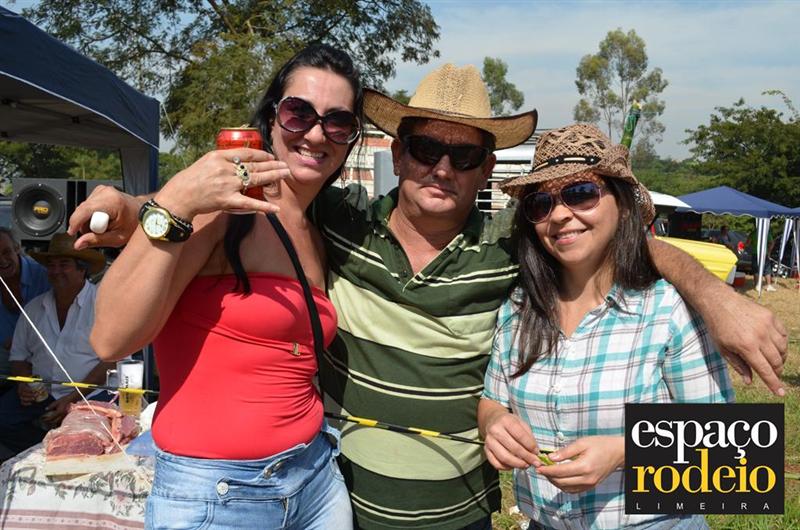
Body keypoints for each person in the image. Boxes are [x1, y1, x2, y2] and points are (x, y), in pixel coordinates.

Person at [68, 64, 788, 529]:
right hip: (340, 503)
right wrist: (133, 207)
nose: (561, 216)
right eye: (423, 148)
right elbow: (494, 400)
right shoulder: (363, 234)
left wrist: (713, 295)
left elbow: (742, 470)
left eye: (465, 154)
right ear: (397, 153)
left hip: (470, 516)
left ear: (485, 172)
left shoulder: (558, 275)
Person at [89, 44, 359, 530]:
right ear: (272, 118)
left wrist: (134, 203)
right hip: (218, 496)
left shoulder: (316, 227)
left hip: (316, 479)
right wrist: (173, 200)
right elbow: (110, 339)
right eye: (299, 113)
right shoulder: (222, 211)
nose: (318, 133)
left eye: (338, 122)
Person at [479, 124, 734, 529]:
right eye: (541, 203)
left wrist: (624, 452)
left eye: (581, 193)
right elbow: (494, 400)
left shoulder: (667, 310)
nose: (559, 214)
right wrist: (493, 422)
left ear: (624, 206)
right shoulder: (519, 308)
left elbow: (729, 451)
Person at [0, 233, 111, 457]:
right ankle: (44, 450)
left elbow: (112, 361)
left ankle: (60, 449)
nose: (56, 271)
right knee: (3, 418)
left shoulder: (103, 304)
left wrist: (73, 397)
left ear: (82, 269)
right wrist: (24, 384)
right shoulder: (34, 308)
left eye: (64, 264)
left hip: (91, 395)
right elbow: (19, 356)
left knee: (89, 437)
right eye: (51, 265)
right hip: (43, 396)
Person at [0, 227, 49, 382]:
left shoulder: (45, 275)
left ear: (17, 248)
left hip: (42, 353)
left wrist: (21, 344)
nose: (2, 260)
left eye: (6, 252)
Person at [747, 223, 777, 291]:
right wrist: (769, 252)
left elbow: (747, 244)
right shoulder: (766, 233)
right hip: (764, 253)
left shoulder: (753, 233)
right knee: (767, 269)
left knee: (756, 270)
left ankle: (757, 285)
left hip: (755, 253)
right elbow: (772, 243)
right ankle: (769, 285)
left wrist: (745, 244)